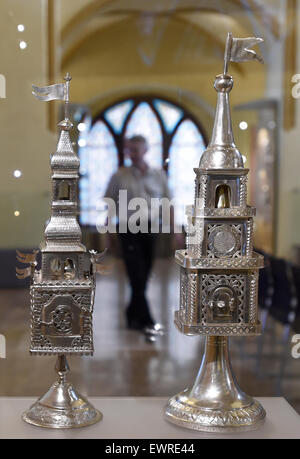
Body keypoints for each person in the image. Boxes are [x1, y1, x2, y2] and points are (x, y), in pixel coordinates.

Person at [105, 135, 171, 335]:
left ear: (145, 150)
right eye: (130, 150)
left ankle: (132, 314)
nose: (133, 154)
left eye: (137, 150)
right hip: (128, 229)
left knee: (144, 275)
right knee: (137, 273)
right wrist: (108, 231)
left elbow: (168, 202)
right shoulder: (119, 176)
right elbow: (110, 204)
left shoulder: (158, 175)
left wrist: (175, 229)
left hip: (151, 229)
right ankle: (147, 320)